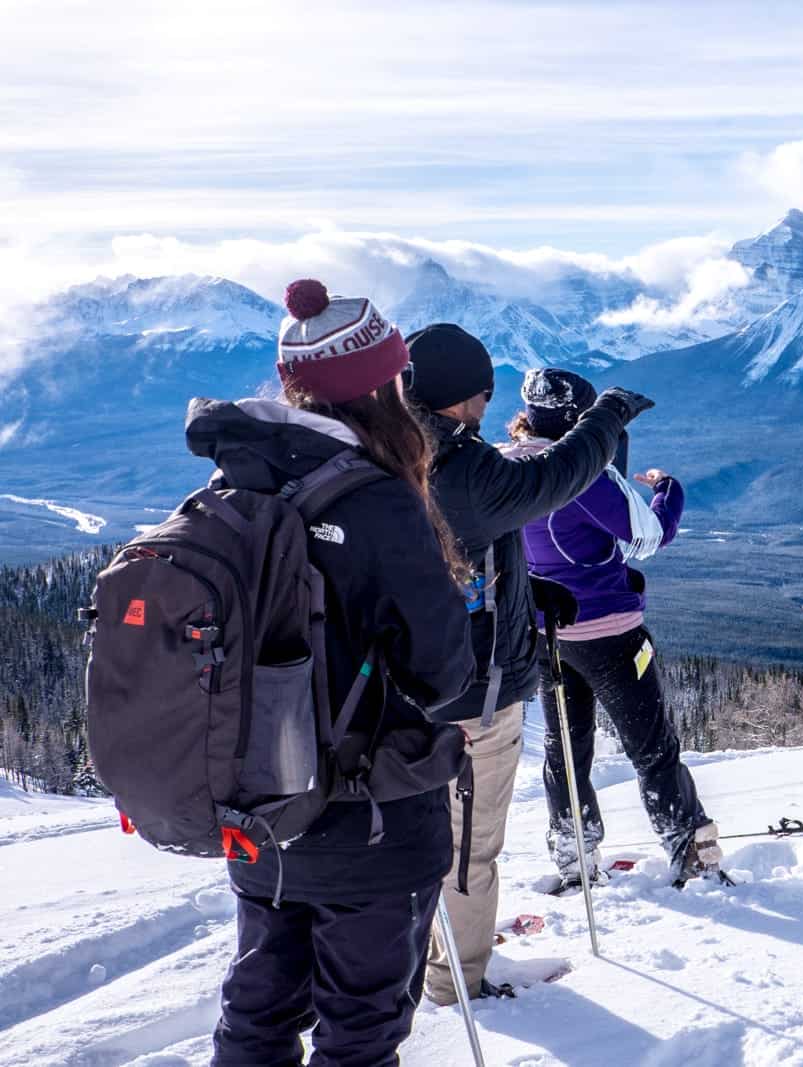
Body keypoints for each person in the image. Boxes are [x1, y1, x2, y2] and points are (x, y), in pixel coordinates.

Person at [203, 280, 477, 1066]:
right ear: (376, 389)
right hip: (373, 824)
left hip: (258, 816)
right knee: (359, 1035)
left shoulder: (235, 485)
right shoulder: (380, 501)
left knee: (256, 1019)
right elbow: (445, 672)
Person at [400, 323, 654, 1005]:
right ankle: (458, 981)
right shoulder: (462, 463)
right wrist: (607, 417)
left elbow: (452, 554)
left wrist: (521, 588)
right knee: (469, 847)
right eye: (481, 395)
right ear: (457, 398)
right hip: (471, 694)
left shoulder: (389, 450)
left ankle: (426, 955)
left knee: (420, 835)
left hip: (404, 686)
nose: (486, 409)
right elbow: (556, 477)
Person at [507, 368, 722, 888]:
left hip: (547, 636)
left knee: (565, 752)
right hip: (611, 633)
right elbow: (648, 537)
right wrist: (668, 491)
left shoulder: (499, 467)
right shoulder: (581, 474)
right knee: (651, 746)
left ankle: (574, 856)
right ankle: (690, 846)